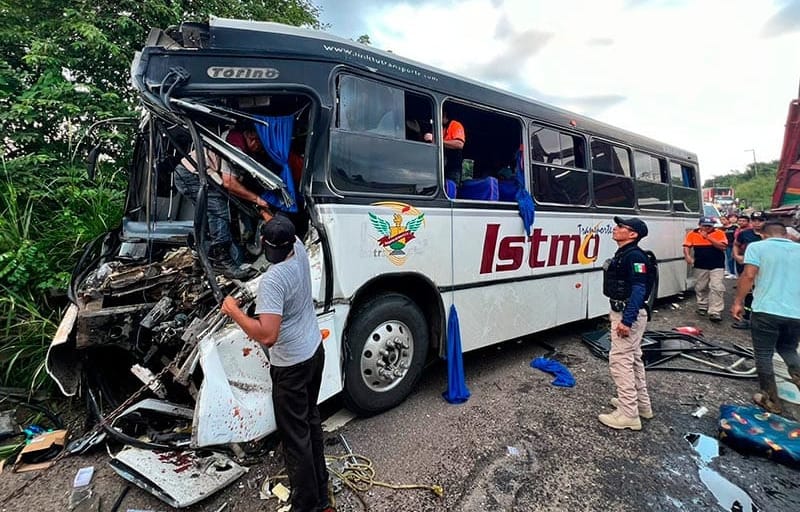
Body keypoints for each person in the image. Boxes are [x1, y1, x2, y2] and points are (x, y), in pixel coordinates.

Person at [221, 215, 329, 512]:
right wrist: (265, 213)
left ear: (263, 245)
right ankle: (323, 495)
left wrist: (234, 311)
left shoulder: (273, 280)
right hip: (314, 352)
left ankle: (307, 506)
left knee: (295, 439)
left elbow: (267, 335)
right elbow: (282, 228)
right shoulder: (300, 249)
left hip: (292, 366)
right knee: (310, 422)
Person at [174, 127, 271, 278]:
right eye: (260, 146)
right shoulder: (234, 146)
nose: (259, 151)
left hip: (191, 173)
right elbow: (229, 183)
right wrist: (257, 200)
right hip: (190, 174)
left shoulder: (237, 138)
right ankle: (223, 262)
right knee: (218, 211)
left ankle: (201, 262)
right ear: (253, 138)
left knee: (206, 222)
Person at [731, 221, 800, 414]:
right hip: (796, 313)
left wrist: (738, 301)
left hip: (766, 310)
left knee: (763, 354)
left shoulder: (757, 247)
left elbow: (749, 275)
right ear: (785, 235)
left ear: (762, 234)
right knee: (788, 349)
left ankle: (771, 400)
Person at [598, 216, 654, 431]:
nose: (616, 228)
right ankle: (641, 405)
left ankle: (628, 414)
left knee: (620, 360)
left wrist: (627, 320)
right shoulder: (626, 254)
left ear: (633, 234)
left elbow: (639, 289)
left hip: (628, 314)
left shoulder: (635, 257)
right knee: (634, 358)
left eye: (622, 227)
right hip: (627, 311)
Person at [682, 217, 728, 322]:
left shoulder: (719, 233)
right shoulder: (692, 234)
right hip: (700, 265)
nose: (707, 228)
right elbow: (686, 246)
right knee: (701, 286)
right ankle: (702, 305)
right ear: (699, 225)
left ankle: (715, 311)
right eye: (704, 226)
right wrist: (687, 256)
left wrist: (708, 237)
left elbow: (723, 247)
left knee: (716, 287)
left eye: (709, 226)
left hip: (717, 265)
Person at [732, 211, 766, 329]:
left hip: (765, 269)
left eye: (760, 221)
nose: (757, 223)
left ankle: (761, 320)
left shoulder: (770, 235)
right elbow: (736, 244)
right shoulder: (744, 234)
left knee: (762, 293)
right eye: (754, 221)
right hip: (747, 267)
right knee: (748, 292)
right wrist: (737, 256)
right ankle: (747, 319)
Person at [424, 109, 465, 183]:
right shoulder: (439, 128)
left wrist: (436, 139)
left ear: (444, 114)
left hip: (452, 170)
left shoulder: (455, 125)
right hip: (440, 169)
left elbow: (459, 144)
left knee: (451, 189)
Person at [722, 213, 739, 278]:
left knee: (735, 258)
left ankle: (735, 273)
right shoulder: (722, 228)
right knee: (729, 259)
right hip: (727, 245)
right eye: (731, 217)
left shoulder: (736, 227)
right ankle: (731, 272)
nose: (733, 219)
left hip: (735, 244)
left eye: (734, 217)